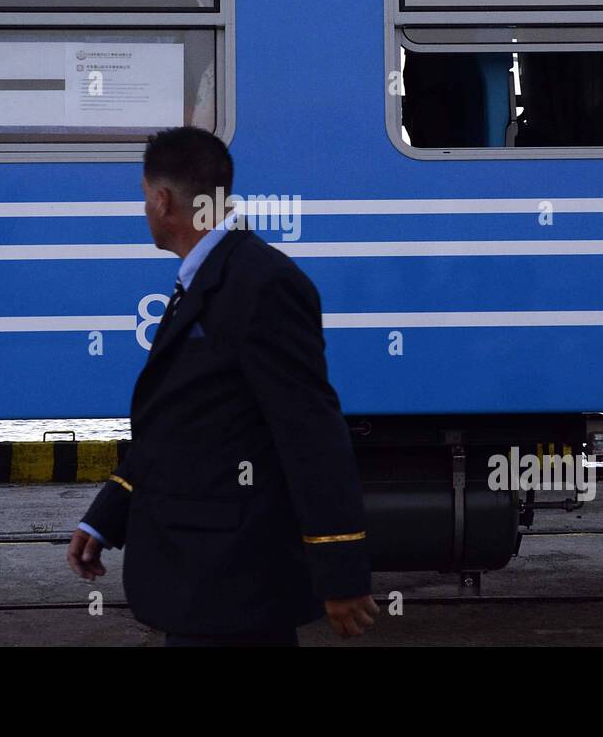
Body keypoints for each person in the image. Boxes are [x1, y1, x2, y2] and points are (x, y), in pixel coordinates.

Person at [66, 126, 378, 646]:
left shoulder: (262, 283)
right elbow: (179, 422)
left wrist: (341, 569)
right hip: (199, 577)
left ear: (163, 201)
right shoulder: (206, 277)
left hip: (234, 581)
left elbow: (311, 433)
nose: (145, 210)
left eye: (145, 200)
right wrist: (107, 516)